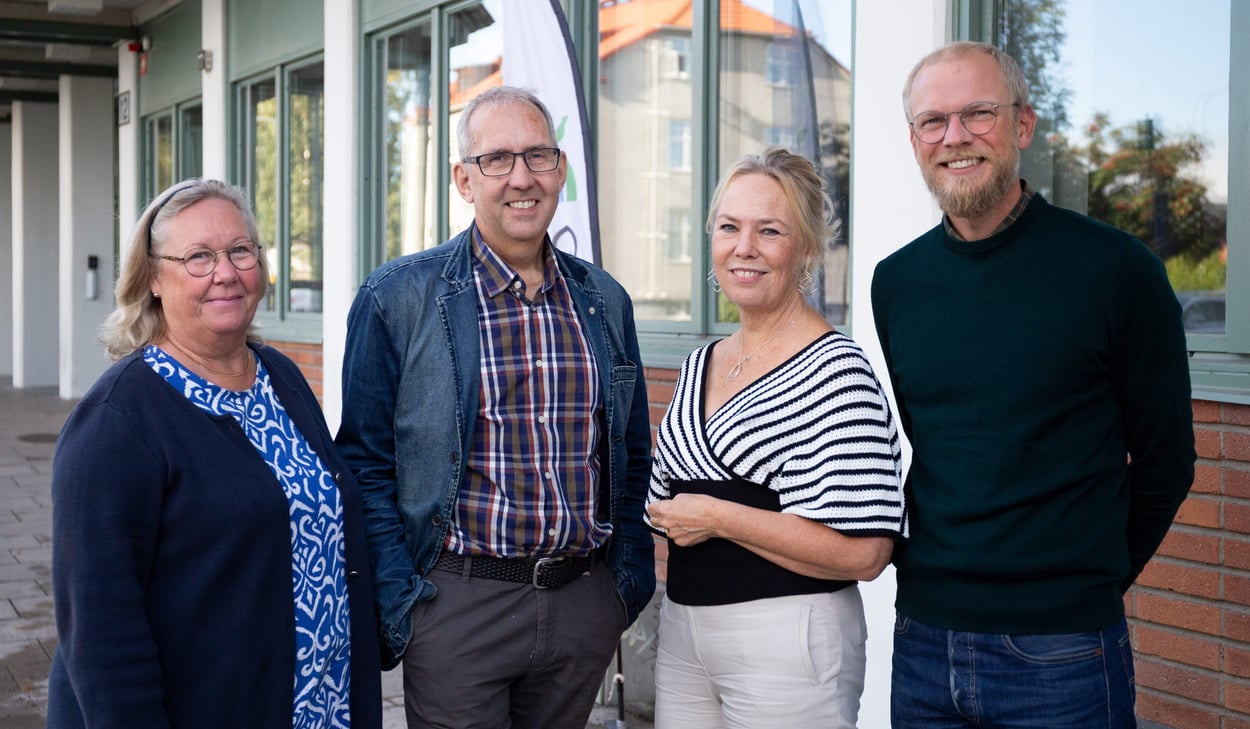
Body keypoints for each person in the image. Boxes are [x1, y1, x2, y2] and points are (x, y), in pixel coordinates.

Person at [872, 41, 1196, 728]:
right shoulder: (896, 283)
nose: (955, 137)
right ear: (914, 140)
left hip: (1063, 657)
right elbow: (938, 444)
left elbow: (1167, 463)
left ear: (1022, 125)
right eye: (934, 121)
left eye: (978, 114)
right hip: (924, 643)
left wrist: (1087, 586)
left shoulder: (1115, 271)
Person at [335, 85, 655, 729]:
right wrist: (407, 605)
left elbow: (629, 455)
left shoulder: (604, 301)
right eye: (497, 159)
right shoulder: (397, 298)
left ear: (560, 169)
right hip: (456, 605)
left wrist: (620, 589)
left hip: (579, 603)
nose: (521, 178)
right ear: (463, 178)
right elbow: (364, 463)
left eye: (538, 156)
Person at [46, 179, 382, 728]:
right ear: (153, 278)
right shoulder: (118, 421)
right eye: (198, 257)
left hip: (322, 707)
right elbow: (100, 630)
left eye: (240, 251)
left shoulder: (281, 378)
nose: (225, 273)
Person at [645, 148, 906, 729]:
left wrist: (719, 516)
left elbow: (866, 552)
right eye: (730, 228)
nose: (745, 247)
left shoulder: (835, 370)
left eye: (770, 231)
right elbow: (664, 501)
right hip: (684, 632)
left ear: (807, 246)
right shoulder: (699, 363)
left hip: (789, 638)